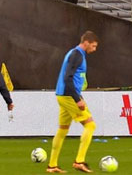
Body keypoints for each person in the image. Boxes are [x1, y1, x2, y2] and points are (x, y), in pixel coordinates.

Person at [48, 31, 99, 174]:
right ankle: (79, 161)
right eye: (93, 46)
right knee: (90, 125)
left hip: (63, 95)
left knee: (63, 129)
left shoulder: (74, 53)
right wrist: (78, 100)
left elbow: (72, 77)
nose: (94, 50)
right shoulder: (77, 55)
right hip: (69, 96)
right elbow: (67, 78)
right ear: (87, 42)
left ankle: (52, 165)